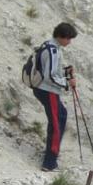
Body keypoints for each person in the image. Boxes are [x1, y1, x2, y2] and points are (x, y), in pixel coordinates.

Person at [32, 22, 77, 172]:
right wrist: (67, 82)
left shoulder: (49, 45)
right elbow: (50, 76)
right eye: (68, 38)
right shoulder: (53, 51)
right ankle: (49, 162)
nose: (69, 42)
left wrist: (64, 72)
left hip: (44, 89)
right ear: (61, 36)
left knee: (61, 115)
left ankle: (51, 152)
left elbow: (51, 70)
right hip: (48, 90)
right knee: (57, 124)